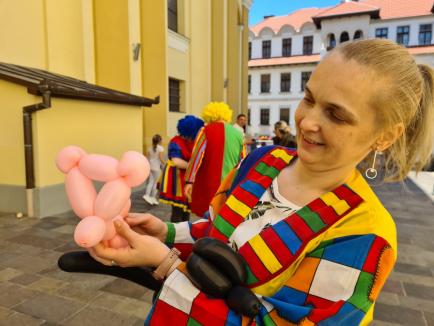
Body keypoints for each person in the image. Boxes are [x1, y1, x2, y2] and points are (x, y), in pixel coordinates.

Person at [91, 39, 433, 325]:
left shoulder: (364, 235)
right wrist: (163, 234)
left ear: (385, 136)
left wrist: (165, 264)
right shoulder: (262, 162)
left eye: (336, 114)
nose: (307, 122)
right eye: (309, 99)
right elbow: (216, 233)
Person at [184, 102, 245, 217]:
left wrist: (189, 180)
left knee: (208, 216)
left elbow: (197, 157)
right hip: (229, 184)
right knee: (223, 216)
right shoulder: (239, 134)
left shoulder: (205, 130)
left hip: (209, 183)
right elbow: (243, 160)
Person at [158, 115, 204, 222]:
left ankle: (184, 231)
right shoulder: (176, 141)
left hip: (188, 177)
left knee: (187, 209)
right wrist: (195, 166)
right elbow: (176, 161)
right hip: (177, 178)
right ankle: (175, 234)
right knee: (177, 210)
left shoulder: (194, 141)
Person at [143, 134, 164, 205]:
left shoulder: (149, 148)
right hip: (157, 168)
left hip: (150, 167)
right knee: (156, 182)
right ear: (159, 141)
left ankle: (147, 195)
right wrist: (166, 164)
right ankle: (153, 197)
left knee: (151, 182)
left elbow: (147, 158)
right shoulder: (160, 148)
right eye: (161, 139)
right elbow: (161, 158)